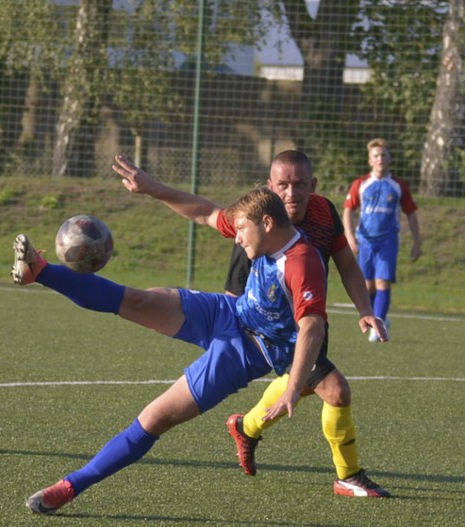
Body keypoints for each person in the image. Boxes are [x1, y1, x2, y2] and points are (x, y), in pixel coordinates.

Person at [16, 183, 343, 514]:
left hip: (245, 353)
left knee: (154, 417)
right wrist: (149, 186)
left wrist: (293, 388)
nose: (238, 237)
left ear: (268, 224)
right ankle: (40, 272)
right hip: (226, 312)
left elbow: (312, 327)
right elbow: (205, 211)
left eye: (243, 230)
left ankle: (70, 486)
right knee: (139, 299)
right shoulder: (263, 231)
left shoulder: (302, 262)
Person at [115, 151, 391, 498]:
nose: (292, 193)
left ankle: (246, 428)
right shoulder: (256, 225)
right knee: (335, 391)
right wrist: (152, 188)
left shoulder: (324, 212)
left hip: (307, 320)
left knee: (303, 383)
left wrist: (364, 308)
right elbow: (206, 215)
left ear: (313, 185)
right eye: (283, 185)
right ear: (270, 187)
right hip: (271, 330)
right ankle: (348, 476)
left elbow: (346, 262)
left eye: (300, 184)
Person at [343, 138, 421, 342]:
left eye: (384, 155)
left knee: (382, 282)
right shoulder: (360, 184)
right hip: (365, 241)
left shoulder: (398, 185)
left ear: (389, 158)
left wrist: (416, 242)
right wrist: (350, 236)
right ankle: (375, 320)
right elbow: (348, 210)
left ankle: (379, 324)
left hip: (388, 241)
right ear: (370, 161)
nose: (380, 159)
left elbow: (411, 213)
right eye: (376, 155)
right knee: (368, 286)